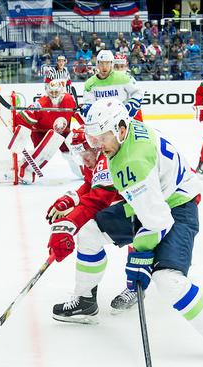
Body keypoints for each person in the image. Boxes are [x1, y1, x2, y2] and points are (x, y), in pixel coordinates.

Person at [48, 98, 203, 365]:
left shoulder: (130, 162)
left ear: (120, 128)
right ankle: (85, 299)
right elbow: (104, 195)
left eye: (101, 139)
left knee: (167, 279)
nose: (97, 147)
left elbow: (157, 222)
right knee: (89, 234)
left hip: (178, 207)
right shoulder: (126, 134)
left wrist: (141, 258)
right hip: (152, 202)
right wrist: (71, 225)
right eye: (93, 139)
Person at [47, 126, 139, 319]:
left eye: (85, 152)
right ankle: (86, 299)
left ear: (97, 147)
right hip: (132, 203)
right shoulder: (96, 160)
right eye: (79, 154)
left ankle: (134, 287)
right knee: (91, 232)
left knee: (137, 239)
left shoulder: (106, 159)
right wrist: (70, 199)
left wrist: (69, 224)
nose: (83, 159)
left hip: (151, 205)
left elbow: (97, 199)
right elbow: (90, 185)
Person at [10, 80, 82, 184]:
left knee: (73, 148)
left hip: (63, 131)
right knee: (45, 151)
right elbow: (25, 116)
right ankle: (24, 170)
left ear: (61, 91)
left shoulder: (69, 99)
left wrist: (84, 123)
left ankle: (84, 171)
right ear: (47, 92)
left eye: (56, 92)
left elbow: (76, 113)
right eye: (51, 92)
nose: (54, 95)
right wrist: (15, 122)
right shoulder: (41, 104)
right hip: (41, 132)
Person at [82, 50, 144, 121]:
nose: (104, 67)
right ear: (97, 64)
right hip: (102, 120)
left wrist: (132, 104)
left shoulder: (124, 77)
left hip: (123, 119)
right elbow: (89, 102)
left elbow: (138, 92)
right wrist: (87, 108)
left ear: (112, 64)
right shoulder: (90, 83)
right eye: (101, 63)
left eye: (107, 63)